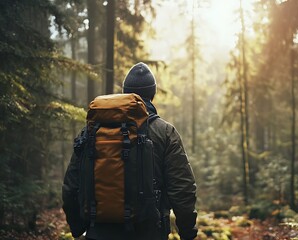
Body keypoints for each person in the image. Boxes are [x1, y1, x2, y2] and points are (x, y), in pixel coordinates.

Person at [62, 62, 198, 240]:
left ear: (125, 93)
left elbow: (71, 186)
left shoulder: (91, 132)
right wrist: (187, 232)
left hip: (98, 232)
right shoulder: (165, 132)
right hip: (149, 232)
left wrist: (78, 227)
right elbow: (182, 188)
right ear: (153, 94)